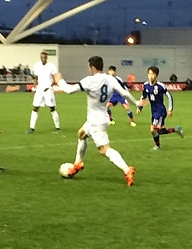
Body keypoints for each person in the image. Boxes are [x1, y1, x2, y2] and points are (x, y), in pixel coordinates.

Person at [53, 56, 139, 186]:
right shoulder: (110, 79)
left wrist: (59, 81)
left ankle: (127, 170)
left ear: (92, 67)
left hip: (95, 122)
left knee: (104, 150)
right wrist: (137, 103)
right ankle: (78, 163)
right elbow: (125, 94)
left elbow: (69, 90)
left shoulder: (90, 81)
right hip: (103, 116)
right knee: (81, 134)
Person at [137, 66, 184, 150]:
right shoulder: (145, 85)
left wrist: (170, 109)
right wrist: (140, 107)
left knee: (153, 129)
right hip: (153, 111)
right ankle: (175, 130)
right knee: (157, 130)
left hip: (160, 111)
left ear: (156, 75)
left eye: (153, 74)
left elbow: (169, 96)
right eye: (149, 74)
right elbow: (143, 97)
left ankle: (158, 146)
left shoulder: (160, 86)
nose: (150, 76)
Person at [28, 51, 61, 133]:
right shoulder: (36, 65)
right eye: (42, 57)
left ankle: (57, 128)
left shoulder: (51, 66)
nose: (43, 59)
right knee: (35, 108)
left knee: (52, 108)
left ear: (47, 58)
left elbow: (55, 77)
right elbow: (35, 78)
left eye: (44, 57)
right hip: (39, 89)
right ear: (40, 57)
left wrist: (50, 86)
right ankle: (32, 128)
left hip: (48, 89)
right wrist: (34, 89)